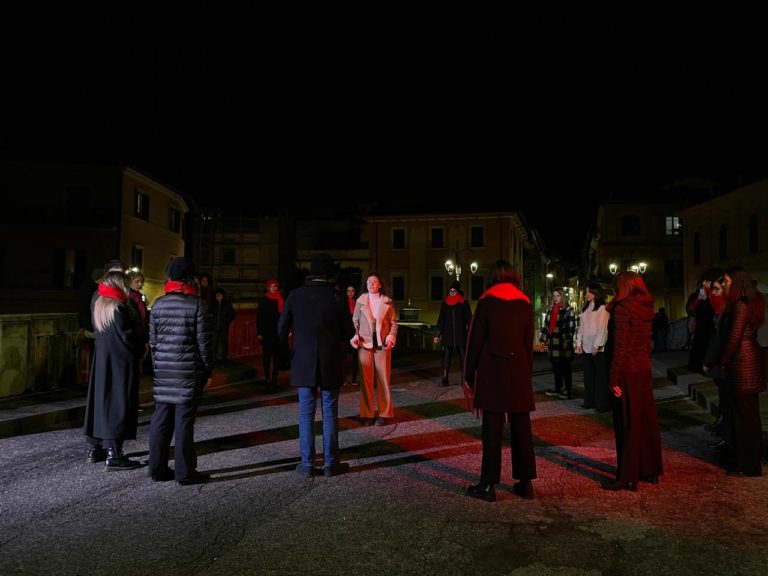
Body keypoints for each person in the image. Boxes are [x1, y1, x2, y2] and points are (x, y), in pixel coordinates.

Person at [464, 260, 537, 502]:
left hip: (492, 371)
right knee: (522, 428)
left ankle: (488, 485)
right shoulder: (525, 303)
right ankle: (525, 483)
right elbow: (528, 343)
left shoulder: (486, 302)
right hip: (518, 370)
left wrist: (469, 374)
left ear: (493, 277)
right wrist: (526, 373)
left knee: (492, 431)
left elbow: (476, 341)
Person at [278, 254, 354, 477]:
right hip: (330, 359)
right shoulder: (336, 296)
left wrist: (291, 350)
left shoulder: (295, 295)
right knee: (330, 412)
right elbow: (349, 332)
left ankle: (307, 463)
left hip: (303, 360)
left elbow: (281, 329)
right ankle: (331, 462)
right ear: (329, 273)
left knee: (305, 413)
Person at [148, 257, 213, 485]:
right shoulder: (197, 304)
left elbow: (153, 342)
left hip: (163, 369)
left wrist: (158, 367)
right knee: (184, 422)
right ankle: (185, 472)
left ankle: (157, 468)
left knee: (160, 419)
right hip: (187, 371)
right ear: (190, 279)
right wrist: (208, 371)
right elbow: (204, 343)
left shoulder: (158, 304)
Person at [602, 271, 662, 492]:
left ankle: (627, 475)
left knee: (627, 423)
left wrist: (612, 378)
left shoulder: (622, 308)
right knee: (645, 421)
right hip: (643, 368)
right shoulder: (645, 307)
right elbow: (646, 343)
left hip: (627, 370)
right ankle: (650, 469)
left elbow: (620, 346)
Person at [82, 270, 142, 470]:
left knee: (101, 403)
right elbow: (127, 336)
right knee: (118, 404)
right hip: (120, 362)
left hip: (102, 361)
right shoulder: (117, 307)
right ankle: (114, 454)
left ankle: (97, 448)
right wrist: (141, 348)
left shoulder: (100, 304)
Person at [716, 266, 765, 477]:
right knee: (747, 415)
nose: (724, 284)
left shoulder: (741, 305)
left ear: (736, 282)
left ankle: (748, 464)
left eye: (727, 281)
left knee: (745, 417)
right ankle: (746, 460)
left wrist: (723, 361)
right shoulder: (746, 303)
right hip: (747, 362)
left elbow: (734, 337)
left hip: (743, 364)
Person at [351, 273, 398, 426]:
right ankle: (367, 414)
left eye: (374, 282)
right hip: (365, 344)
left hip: (382, 345)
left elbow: (393, 323)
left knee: (383, 380)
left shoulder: (387, 302)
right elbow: (355, 322)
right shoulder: (360, 301)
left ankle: (384, 414)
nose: (371, 284)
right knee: (365, 381)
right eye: (369, 282)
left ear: (380, 285)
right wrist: (356, 335)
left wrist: (390, 337)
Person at [574, 282, 611, 412]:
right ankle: (589, 401)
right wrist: (579, 343)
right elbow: (581, 328)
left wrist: (597, 345)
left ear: (596, 293)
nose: (587, 294)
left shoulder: (602, 309)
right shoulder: (585, 309)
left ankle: (601, 404)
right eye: (586, 291)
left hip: (597, 348)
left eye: (589, 291)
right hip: (586, 347)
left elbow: (602, 329)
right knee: (588, 376)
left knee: (600, 378)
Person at [433, 280, 472, 387]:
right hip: (448, 335)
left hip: (461, 335)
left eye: (454, 291)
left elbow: (469, 319)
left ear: (457, 292)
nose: (452, 293)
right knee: (446, 358)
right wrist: (437, 335)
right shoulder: (445, 304)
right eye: (450, 291)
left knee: (463, 358)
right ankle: (445, 379)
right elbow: (441, 319)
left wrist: (470, 332)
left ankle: (465, 380)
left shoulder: (463, 303)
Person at [539, 288, 576, 399]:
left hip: (563, 342)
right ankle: (557, 388)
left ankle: (568, 390)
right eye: (554, 296)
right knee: (556, 367)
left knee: (565, 367)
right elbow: (546, 325)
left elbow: (570, 327)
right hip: (553, 342)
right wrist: (544, 339)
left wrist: (567, 340)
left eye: (558, 296)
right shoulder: (550, 309)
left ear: (562, 297)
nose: (555, 298)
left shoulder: (568, 310)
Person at [258, 278, 288, 390]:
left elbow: (285, 316)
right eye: (272, 286)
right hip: (267, 331)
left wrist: (287, 329)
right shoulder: (264, 300)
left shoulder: (281, 298)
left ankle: (275, 376)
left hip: (278, 331)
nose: (274, 288)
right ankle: (267, 377)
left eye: (275, 286)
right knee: (266, 356)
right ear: (268, 287)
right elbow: (259, 317)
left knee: (277, 356)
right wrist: (259, 332)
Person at [211, 288, 235, 364]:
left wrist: (225, 321)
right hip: (214, 328)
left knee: (224, 343)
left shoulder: (227, 304)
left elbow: (232, 315)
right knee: (214, 344)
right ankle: (213, 359)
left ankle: (224, 359)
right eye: (217, 295)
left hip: (224, 328)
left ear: (223, 296)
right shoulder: (212, 304)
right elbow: (208, 314)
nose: (218, 297)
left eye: (220, 295)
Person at [343, 284, 360, 385]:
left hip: (355, 333)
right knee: (344, 357)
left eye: (352, 291)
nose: (350, 293)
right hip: (345, 333)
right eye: (348, 291)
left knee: (355, 357)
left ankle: (354, 379)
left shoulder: (358, 303)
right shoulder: (343, 303)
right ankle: (343, 379)